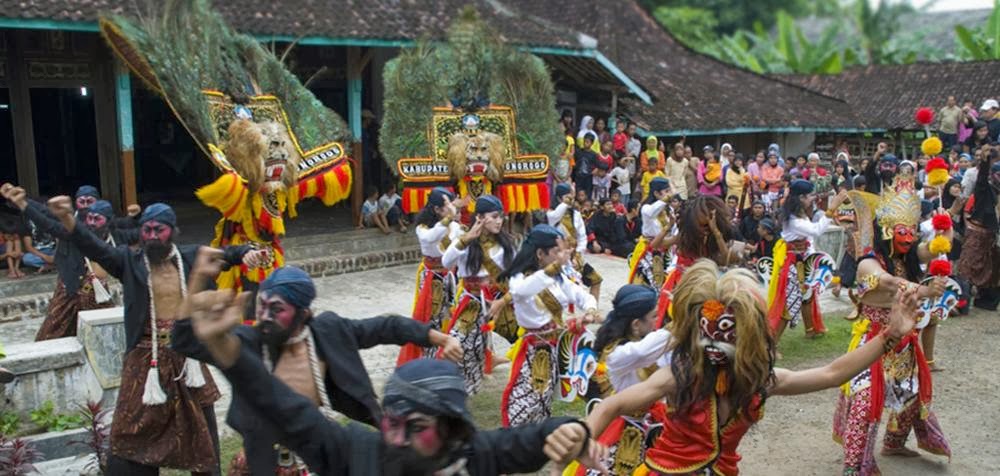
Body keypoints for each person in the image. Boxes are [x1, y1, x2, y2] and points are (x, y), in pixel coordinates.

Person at [182, 285, 605, 476]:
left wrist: (569, 430)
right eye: (392, 422)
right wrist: (231, 355)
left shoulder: (474, 457)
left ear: (453, 429)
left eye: (416, 427)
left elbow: (530, 440)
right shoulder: (356, 453)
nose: (396, 437)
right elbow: (282, 405)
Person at [584, 259, 921, 476]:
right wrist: (584, 441)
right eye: (708, 333)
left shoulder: (761, 381)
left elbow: (833, 374)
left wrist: (889, 335)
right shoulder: (680, 374)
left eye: (728, 334)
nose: (716, 345)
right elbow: (612, 405)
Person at [35, 196, 262, 475]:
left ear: (172, 231)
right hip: (145, 360)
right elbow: (91, 245)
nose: (152, 236)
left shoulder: (190, 257)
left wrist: (247, 252)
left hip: (186, 358)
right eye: (147, 230)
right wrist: (69, 218)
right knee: (131, 434)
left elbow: (228, 253)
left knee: (201, 432)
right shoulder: (128, 261)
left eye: (159, 230)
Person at [172, 257, 461, 475]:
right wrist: (197, 276)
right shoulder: (247, 342)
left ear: (303, 313)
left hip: (316, 453)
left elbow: (385, 327)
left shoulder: (328, 332)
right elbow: (183, 340)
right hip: (263, 459)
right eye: (262, 306)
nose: (264, 316)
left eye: (277, 309)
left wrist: (439, 337)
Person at [835, 175, 952, 475]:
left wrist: (944, 226)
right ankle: (853, 466)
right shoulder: (867, 262)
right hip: (873, 341)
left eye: (913, 231)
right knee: (865, 403)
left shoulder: (909, 256)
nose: (909, 238)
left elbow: (935, 248)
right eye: (903, 231)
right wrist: (923, 290)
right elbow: (887, 282)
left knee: (913, 394)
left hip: (904, 342)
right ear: (887, 231)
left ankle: (893, 442)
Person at [2, 185, 138, 340]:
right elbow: (47, 220)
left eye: (97, 218)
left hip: (96, 293)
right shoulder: (75, 231)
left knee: (109, 335)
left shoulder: (115, 234)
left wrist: (135, 216)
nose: (92, 221)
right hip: (70, 286)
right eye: (83, 202)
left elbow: (135, 230)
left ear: (108, 220)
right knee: (50, 336)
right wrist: (23, 203)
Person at [498, 225, 598, 427]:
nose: (562, 256)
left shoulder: (559, 279)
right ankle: (515, 441)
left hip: (553, 347)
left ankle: (535, 443)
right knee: (525, 401)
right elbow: (520, 292)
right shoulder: (520, 278)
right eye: (557, 252)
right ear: (540, 254)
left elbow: (581, 295)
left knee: (543, 401)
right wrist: (552, 269)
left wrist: (590, 310)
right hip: (532, 351)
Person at [568, 285, 669, 475]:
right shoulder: (619, 353)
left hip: (646, 424)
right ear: (636, 324)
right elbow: (645, 350)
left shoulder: (639, 345)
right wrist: (680, 326)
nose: (658, 321)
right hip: (621, 429)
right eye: (654, 316)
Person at [442, 195, 515, 393]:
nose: (499, 221)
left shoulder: (505, 243)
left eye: (501, 216)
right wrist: (466, 240)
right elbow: (446, 262)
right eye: (494, 216)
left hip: (498, 303)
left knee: (521, 336)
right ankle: (455, 387)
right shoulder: (465, 240)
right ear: (480, 218)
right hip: (472, 303)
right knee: (460, 345)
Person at [769, 181, 848, 345]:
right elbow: (816, 230)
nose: (813, 198)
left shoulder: (798, 214)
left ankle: (811, 331)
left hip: (802, 261)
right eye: (811, 195)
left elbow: (810, 237)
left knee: (807, 295)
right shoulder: (793, 220)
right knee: (788, 303)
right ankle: (772, 345)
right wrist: (832, 208)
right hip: (793, 265)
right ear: (801, 197)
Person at [397, 187, 467, 364]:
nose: (451, 208)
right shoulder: (423, 228)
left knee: (452, 313)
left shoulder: (454, 225)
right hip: (431, 277)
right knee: (431, 316)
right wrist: (449, 218)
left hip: (450, 276)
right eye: (447, 205)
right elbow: (431, 237)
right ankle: (428, 357)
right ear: (436, 209)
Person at [957, 156, 1000, 311]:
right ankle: (962, 303)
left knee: (993, 270)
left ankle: (987, 302)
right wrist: (986, 162)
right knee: (967, 268)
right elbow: (981, 179)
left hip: (993, 236)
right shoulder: (985, 189)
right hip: (977, 234)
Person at [548, 184, 603, 300]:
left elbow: (582, 237)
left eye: (571, 198)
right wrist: (565, 203)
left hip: (574, 257)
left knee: (596, 279)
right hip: (556, 259)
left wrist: (577, 255)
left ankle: (592, 312)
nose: (570, 200)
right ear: (558, 198)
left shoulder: (575, 214)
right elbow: (556, 216)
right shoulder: (550, 214)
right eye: (566, 197)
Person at [627, 178, 675, 288]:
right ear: (656, 193)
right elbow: (652, 211)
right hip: (649, 251)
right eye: (666, 191)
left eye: (669, 191)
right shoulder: (646, 208)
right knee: (649, 283)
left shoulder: (668, 210)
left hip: (666, 250)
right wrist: (668, 197)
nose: (669, 194)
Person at [574, 133, 598, 199]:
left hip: (588, 177)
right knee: (577, 193)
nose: (585, 143)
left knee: (588, 194)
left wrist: (595, 170)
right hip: (578, 176)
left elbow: (597, 165)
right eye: (585, 141)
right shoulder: (578, 152)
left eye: (588, 142)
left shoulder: (594, 154)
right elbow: (574, 163)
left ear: (592, 143)